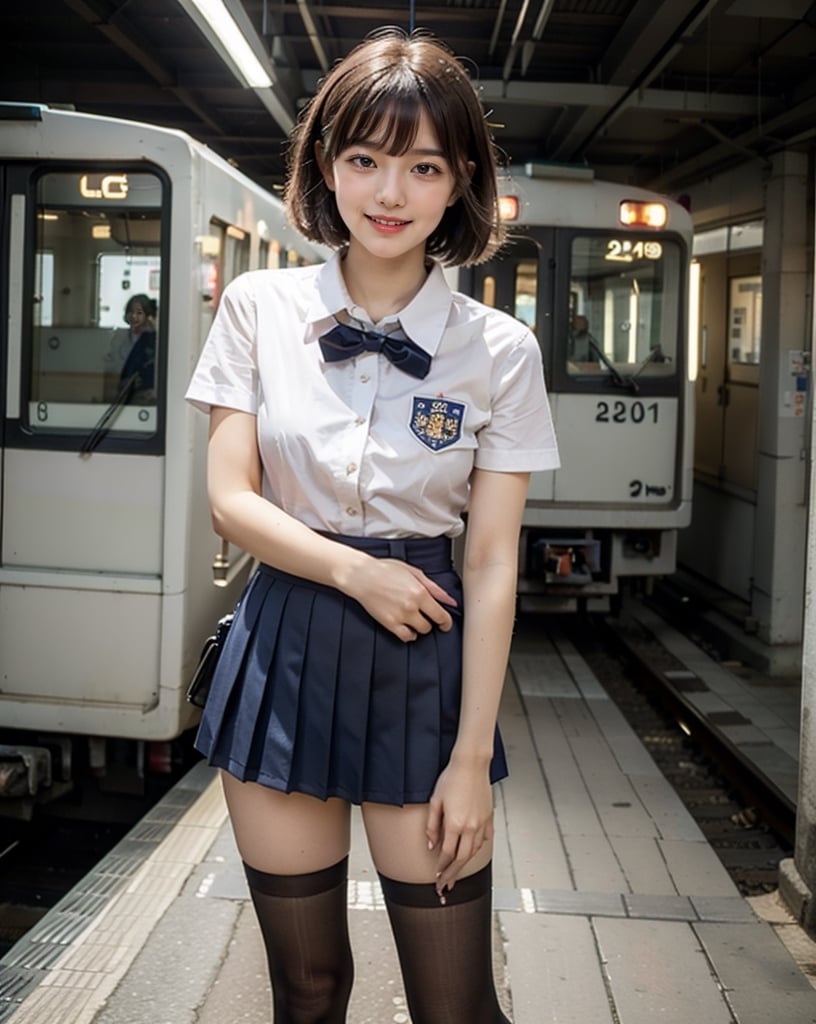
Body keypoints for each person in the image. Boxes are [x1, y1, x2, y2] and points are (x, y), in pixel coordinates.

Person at [185, 27, 559, 1024]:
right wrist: (357, 575)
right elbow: (231, 498)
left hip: (426, 667)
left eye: (423, 165)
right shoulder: (259, 310)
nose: (389, 192)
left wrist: (471, 756)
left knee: (456, 1005)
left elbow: (489, 561)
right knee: (306, 991)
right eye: (364, 159)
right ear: (326, 167)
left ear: (460, 181)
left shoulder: (500, 351)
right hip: (285, 650)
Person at [105, 293, 157, 399]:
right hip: (122, 395)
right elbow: (111, 365)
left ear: (147, 315)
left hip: (146, 396)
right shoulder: (118, 337)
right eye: (130, 312)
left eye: (139, 312)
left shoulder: (154, 339)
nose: (134, 316)